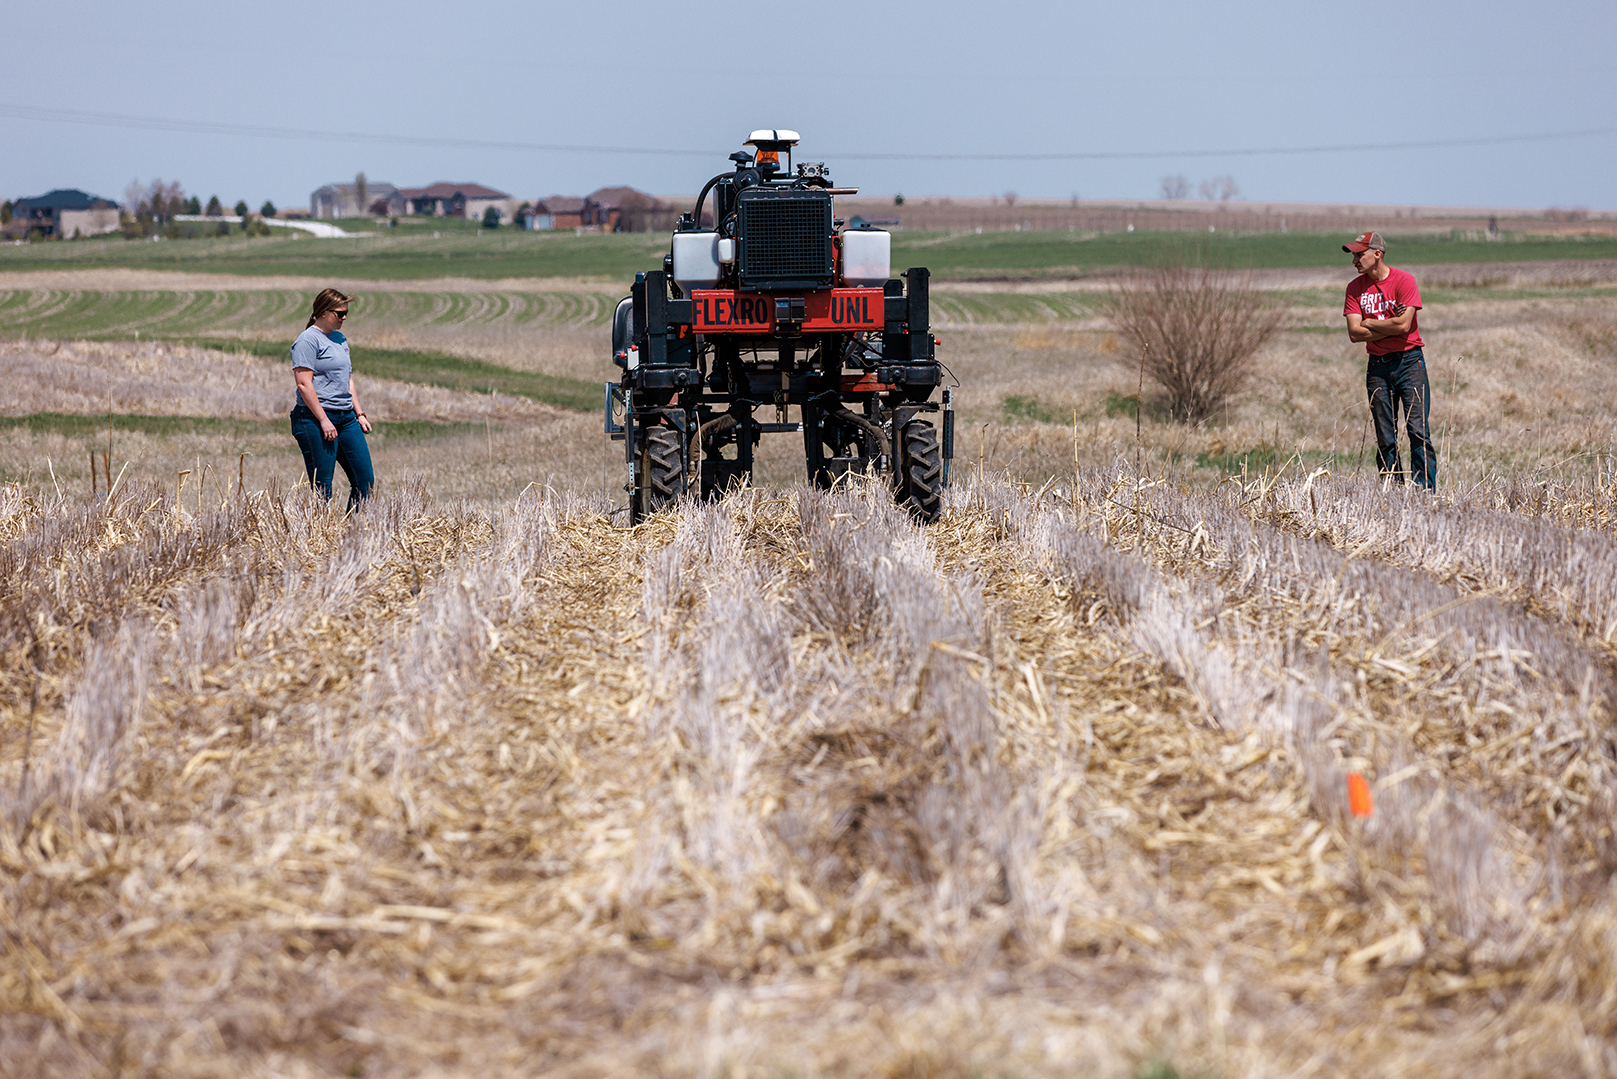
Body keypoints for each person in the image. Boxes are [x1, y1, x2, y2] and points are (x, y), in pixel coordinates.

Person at [1343, 231, 1436, 490]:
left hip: (1410, 363)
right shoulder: (1354, 288)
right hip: (1377, 367)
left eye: (1359, 254)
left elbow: (1405, 326)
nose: (1354, 261)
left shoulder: (1404, 281)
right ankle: (1392, 492)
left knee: (1418, 431)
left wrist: (1371, 322)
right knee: (1385, 436)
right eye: (1353, 255)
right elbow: (1354, 333)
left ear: (1377, 254)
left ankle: (1423, 492)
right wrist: (1389, 325)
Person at [289, 288, 374, 510]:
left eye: (346, 313)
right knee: (322, 487)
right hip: (314, 419)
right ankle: (319, 538)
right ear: (324, 312)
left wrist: (360, 414)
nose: (344, 318)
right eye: (340, 313)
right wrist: (324, 420)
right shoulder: (307, 340)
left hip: (346, 418)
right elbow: (303, 384)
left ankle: (353, 533)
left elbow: (347, 379)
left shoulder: (340, 338)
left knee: (365, 482)